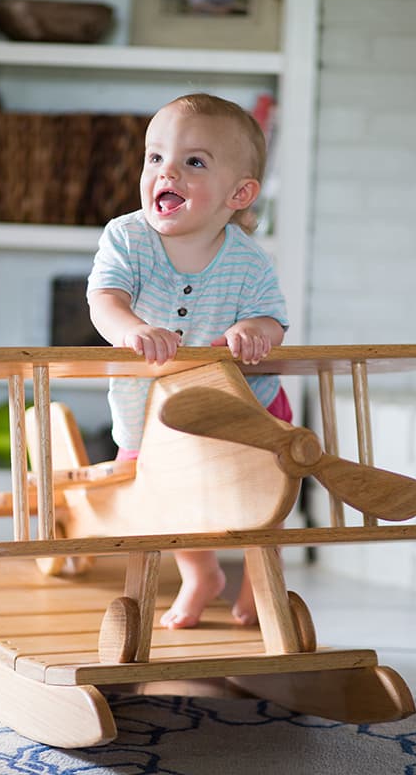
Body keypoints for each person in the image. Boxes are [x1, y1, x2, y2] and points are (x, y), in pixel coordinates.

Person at [87, 92, 291, 630]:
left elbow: (273, 321)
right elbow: (104, 300)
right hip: (150, 405)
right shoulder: (127, 238)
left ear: (239, 194)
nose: (166, 171)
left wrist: (253, 331)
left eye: (193, 162)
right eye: (155, 158)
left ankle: (258, 571)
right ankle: (201, 575)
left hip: (243, 406)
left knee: (256, 489)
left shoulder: (249, 262)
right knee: (164, 497)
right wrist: (133, 330)